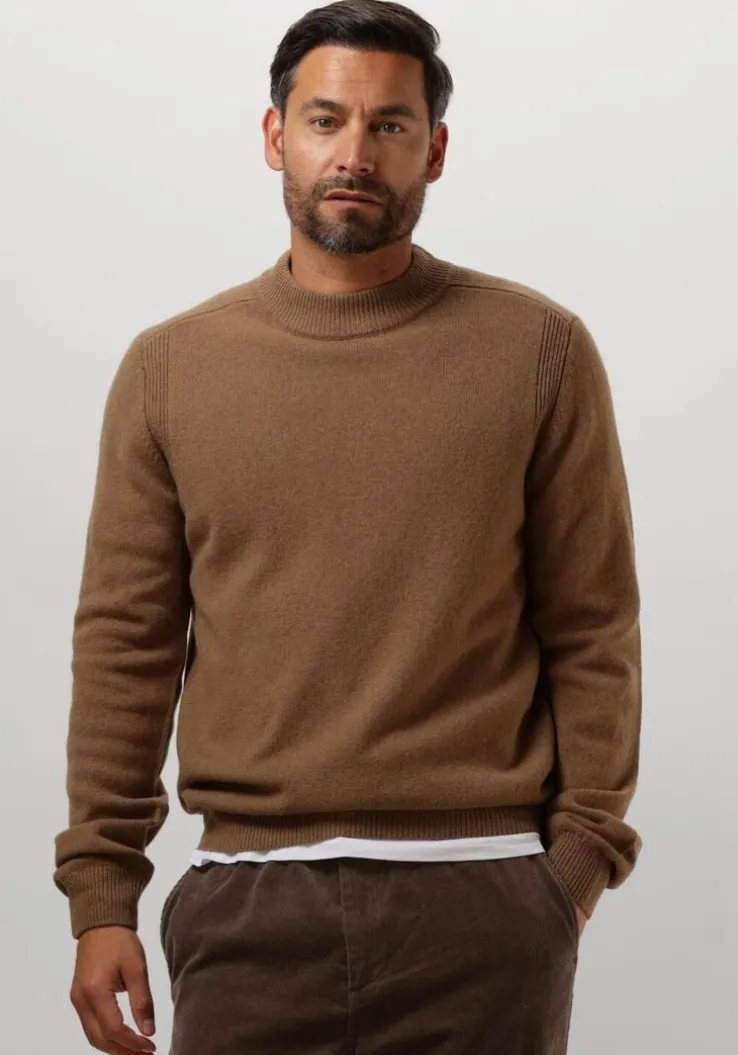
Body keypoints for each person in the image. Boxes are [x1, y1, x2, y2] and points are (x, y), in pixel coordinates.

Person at [54, 1, 643, 1052]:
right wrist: (103, 894)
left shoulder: (539, 350)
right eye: (325, 120)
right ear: (275, 135)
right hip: (246, 905)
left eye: (390, 125)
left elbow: (593, 624)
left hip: (484, 905)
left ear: (436, 150)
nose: (355, 154)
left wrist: (573, 870)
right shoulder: (171, 368)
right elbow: (126, 645)